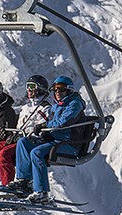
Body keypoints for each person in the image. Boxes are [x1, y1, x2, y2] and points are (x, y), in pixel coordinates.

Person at [6, 75, 85, 204]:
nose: (58, 92)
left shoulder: (74, 104)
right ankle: (24, 181)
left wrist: (44, 126)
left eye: (61, 89)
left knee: (37, 153)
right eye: (55, 89)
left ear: (69, 90)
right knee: (23, 142)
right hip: (54, 140)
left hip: (68, 143)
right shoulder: (59, 105)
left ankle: (42, 192)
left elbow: (61, 123)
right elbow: (49, 119)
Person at [0, 75, 51, 187]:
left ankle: (8, 186)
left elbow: (42, 127)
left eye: (32, 86)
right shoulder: (26, 107)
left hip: (28, 141)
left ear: (40, 88)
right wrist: (12, 134)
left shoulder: (45, 108)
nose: (29, 89)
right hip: (16, 138)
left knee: (4, 154)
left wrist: (26, 133)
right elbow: (19, 125)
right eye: (27, 86)